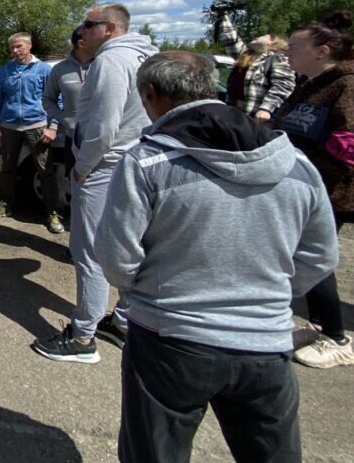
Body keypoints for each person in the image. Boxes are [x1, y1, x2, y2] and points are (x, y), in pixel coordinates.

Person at [96, 51, 339, 462]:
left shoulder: (147, 161)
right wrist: (271, 292)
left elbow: (117, 257)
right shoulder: (295, 162)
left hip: (169, 338)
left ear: (151, 94)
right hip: (265, 341)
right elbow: (319, 254)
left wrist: (152, 292)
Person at [32, 4, 158, 363]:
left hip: (106, 165)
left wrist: (83, 167)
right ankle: (122, 320)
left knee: (89, 250)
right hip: (138, 162)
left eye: (88, 24)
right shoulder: (147, 56)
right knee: (131, 244)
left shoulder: (110, 62)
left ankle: (83, 336)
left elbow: (103, 127)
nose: (81, 30)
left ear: (111, 28)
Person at [273, 11, 354, 369]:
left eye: (294, 47)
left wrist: (313, 171)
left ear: (322, 51)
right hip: (300, 185)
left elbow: (348, 143)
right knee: (297, 254)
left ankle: (337, 338)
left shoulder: (346, 85)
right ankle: (320, 325)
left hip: (330, 190)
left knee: (313, 257)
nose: (287, 52)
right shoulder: (308, 82)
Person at [0, 33, 53, 222]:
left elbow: (55, 100)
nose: (15, 51)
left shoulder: (44, 69)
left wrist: (52, 126)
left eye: (19, 46)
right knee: (7, 168)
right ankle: (3, 205)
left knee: (44, 169)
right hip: (9, 126)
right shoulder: (5, 71)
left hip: (37, 125)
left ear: (29, 46)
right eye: (12, 47)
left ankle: (53, 211)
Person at [39, 27, 95, 234]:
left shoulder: (105, 65)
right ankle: (78, 237)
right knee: (79, 190)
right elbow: (47, 99)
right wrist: (65, 119)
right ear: (81, 43)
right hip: (75, 142)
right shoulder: (60, 69)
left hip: (109, 141)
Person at [214, 9, 296, 120]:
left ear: (271, 42)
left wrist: (266, 109)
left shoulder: (278, 58)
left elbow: (284, 85)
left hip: (258, 118)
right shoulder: (246, 55)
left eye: (263, 36)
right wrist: (223, 15)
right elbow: (231, 40)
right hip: (236, 113)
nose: (257, 36)